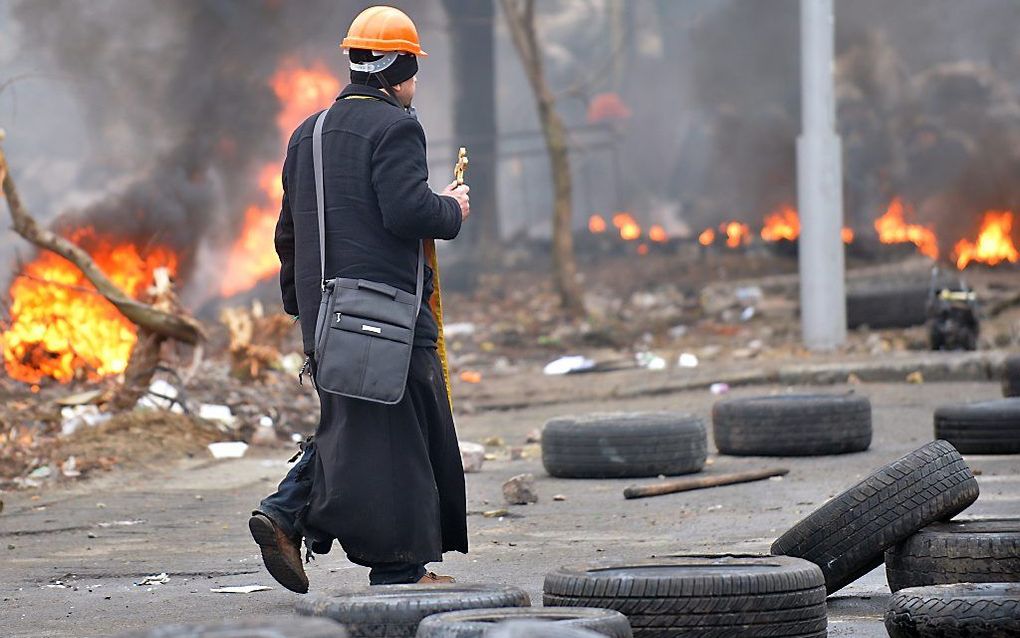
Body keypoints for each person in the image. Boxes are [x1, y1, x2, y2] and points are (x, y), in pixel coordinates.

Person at [249, 6, 470, 592]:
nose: (414, 82)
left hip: (325, 316)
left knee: (354, 425)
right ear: (397, 66)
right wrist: (451, 208)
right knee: (402, 433)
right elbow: (407, 212)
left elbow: (286, 233)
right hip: (387, 316)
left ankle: (285, 513)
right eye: (412, 69)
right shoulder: (397, 127)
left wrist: (302, 308)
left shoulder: (308, 133)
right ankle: (398, 570)